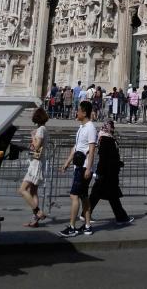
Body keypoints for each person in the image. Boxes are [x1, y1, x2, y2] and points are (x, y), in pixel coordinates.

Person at [59, 100, 97, 238]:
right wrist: (67, 162)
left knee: (74, 195)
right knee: (83, 196)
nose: (77, 112)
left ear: (84, 112)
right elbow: (76, 147)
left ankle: (72, 227)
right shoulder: (82, 127)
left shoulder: (90, 128)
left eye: (79, 110)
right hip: (78, 166)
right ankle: (87, 226)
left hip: (83, 168)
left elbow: (92, 150)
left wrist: (88, 168)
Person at [89, 120, 134, 226]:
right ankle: (121, 217)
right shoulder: (106, 139)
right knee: (112, 196)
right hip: (108, 173)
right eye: (112, 127)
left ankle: (85, 213)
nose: (113, 129)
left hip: (106, 172)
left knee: (97, 194)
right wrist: (117, 163)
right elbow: (107, 158)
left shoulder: (105, 138)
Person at [18, 107, 48, 227]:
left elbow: (36, 146)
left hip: (36, 164)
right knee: (33, 191)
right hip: (39, 162)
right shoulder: (44, 129)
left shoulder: (40, 130)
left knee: (22, 190)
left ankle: (38, 212)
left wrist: (32, 136)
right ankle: (35, 220)